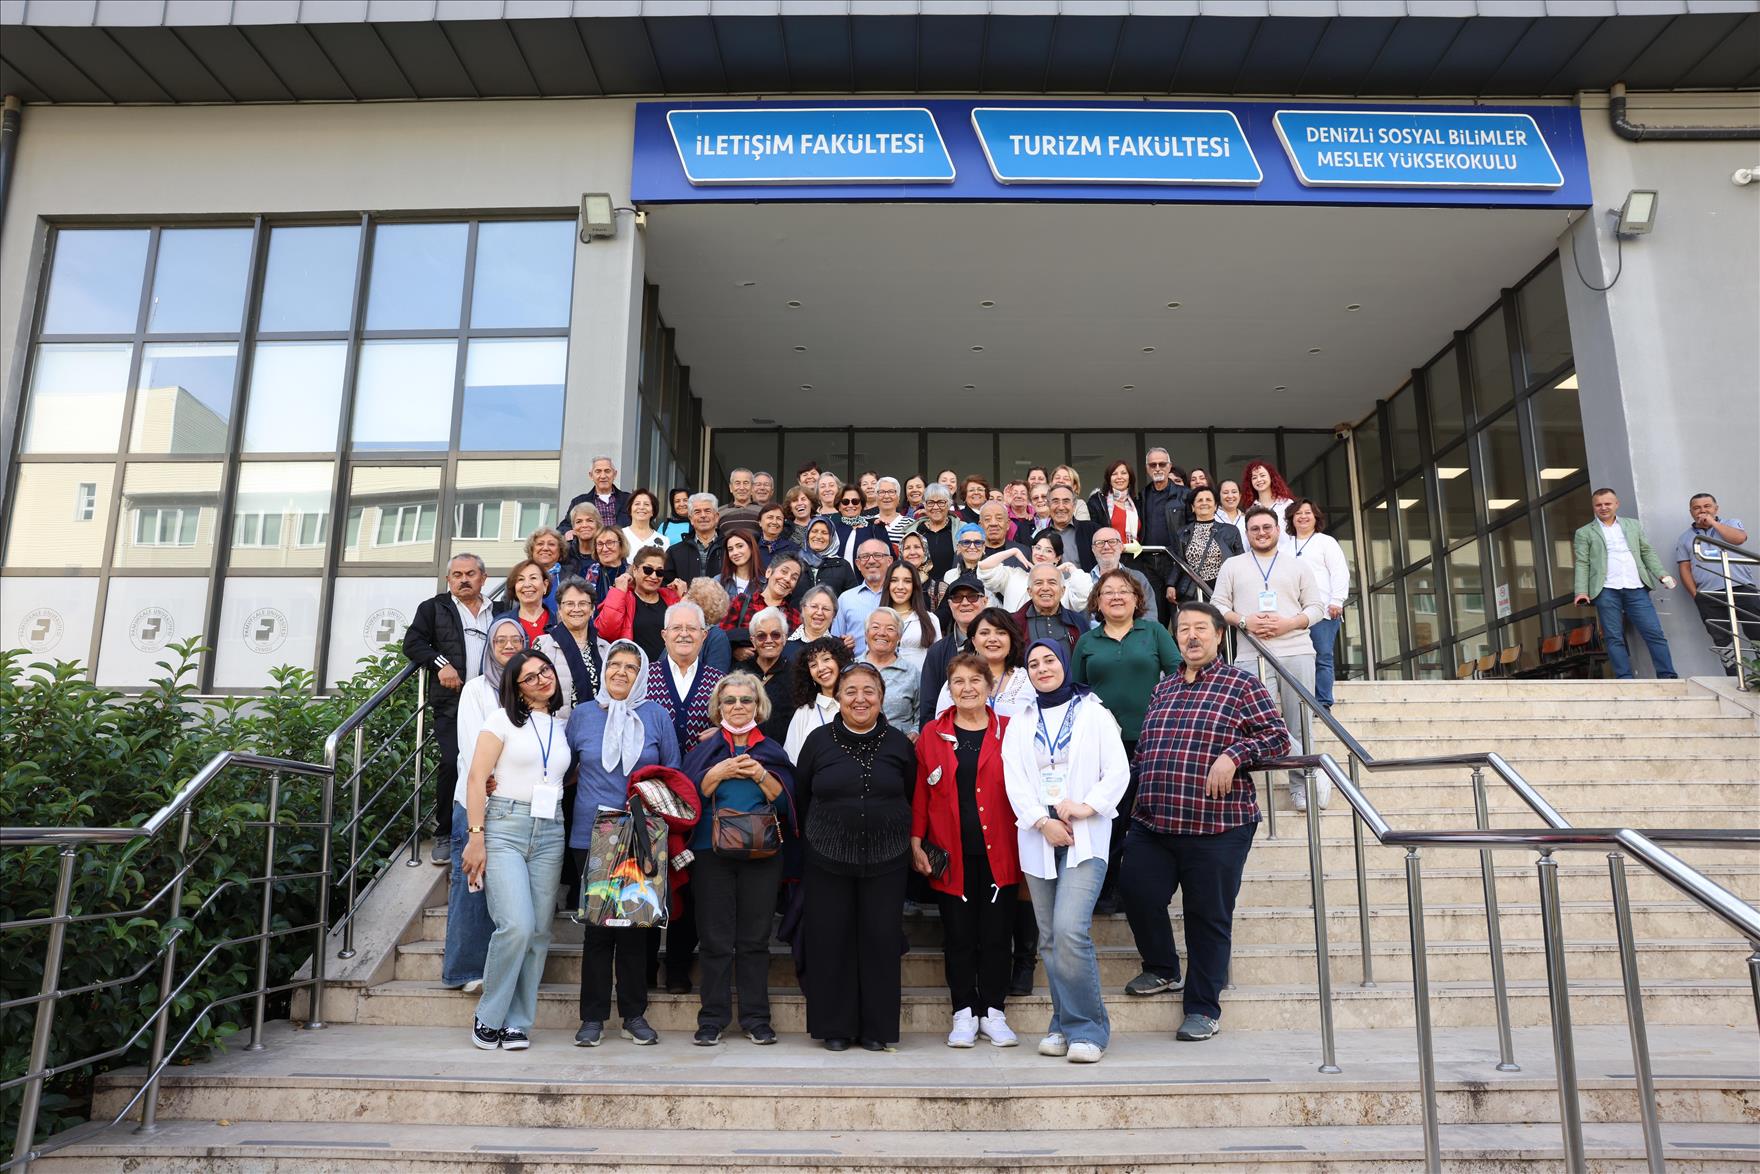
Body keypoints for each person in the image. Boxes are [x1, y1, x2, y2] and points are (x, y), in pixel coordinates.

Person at [1121, 601, 1289, 1043]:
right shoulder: (1164, 687)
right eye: (1183, 630)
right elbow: (1147, 747)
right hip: (1153, 821)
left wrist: (1234, 755)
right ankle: (1162, 967)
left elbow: (1277, 737)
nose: (1191, 636)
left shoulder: (1241, 684)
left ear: (1219, 635)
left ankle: (1202, 1008)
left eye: (1200, 628)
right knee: (1136, 893)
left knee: (1207, 917)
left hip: (1218, 826)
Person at [1002, 640, 1130, 1064]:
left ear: (1064, 663)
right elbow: (1014, 780)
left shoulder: (1094, 711)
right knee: (1051, 938)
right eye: (1033, 664)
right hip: (1039, 836)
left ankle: (1088, 1029)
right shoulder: (1021, 720)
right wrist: (1043, 822)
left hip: (1085, 836)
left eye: (1050, 660)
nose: (1042, 669)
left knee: (1071, 930)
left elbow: (1118, 770)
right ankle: (1062, 1023)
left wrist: (1086, 806)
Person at [563, 640, 684, 1047]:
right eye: (614, 664)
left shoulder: (656, 715)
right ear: (604, 669)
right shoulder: (583, 715)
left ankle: (634, 1015)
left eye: (631, 667)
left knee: (634, 928)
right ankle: (592, 1018)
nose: (621, 672)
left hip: (641, 835)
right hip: (591, 835)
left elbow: (672, 774)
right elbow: (561, 769)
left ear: (641, 674)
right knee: (598, 931)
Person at [794, 661, 917, 1051]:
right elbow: (802, 795)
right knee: (831, 940)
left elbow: (910, 792)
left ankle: (877, 1029)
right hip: (826, 858)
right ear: (838, 697)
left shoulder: (898, 743)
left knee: (881, 940)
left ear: (882, 698)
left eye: (869, 691)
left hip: (887, 859)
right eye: (851, 691)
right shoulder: (818, 741)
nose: (860, 699)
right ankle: (835, 1027)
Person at [459, 646, 570, 1050]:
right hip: (505, 826)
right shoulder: (500, 720)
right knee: (517, 925)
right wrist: (476, 836)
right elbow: (477, 778)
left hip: (550, 828)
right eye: (531, 676)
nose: (543, 678)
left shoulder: (561, 724)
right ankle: (489, 1016)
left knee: (539, 931)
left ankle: (517, 1022)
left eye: (546, 670)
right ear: (518, 688)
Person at [912, 651, 1021, 1048]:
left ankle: (992, 1011)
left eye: (975, 680)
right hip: (950, 854)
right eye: (958, 681)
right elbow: (922, 792)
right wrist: (915, 841)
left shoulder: (1010, 730)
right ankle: (963, 1011)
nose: (967, 688)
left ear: (989, 687)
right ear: (949, 689)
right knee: (958, 936)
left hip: (1001, 852)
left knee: (996, 935)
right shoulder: (932, 733)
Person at [683, 673, 795, 1046]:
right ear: (719, 707)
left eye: (746, 700)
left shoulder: (772, 750)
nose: (737, 706)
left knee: (754, 939)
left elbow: (788, 804)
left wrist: (761, 774)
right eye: (729, 700)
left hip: (763, 853)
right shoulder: (704, 751)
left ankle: (756, 1019)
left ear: (758, 706)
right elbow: (686, 799)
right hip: (710, 853)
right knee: (714, 939)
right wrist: (717, 773)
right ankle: (712, 1019)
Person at [1072, 567, 1180, 914]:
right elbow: (1076, 692)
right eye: (1108, 592)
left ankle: (1138, 889)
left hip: (1147, 742)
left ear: (1136, 599)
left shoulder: (1154, 632)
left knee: (1142, 817)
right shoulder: (1087, 641)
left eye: (1124, 591)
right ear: (1097, 601)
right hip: (1100, 746)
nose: (1116, 596)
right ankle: (1105, 889)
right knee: (1108, 816)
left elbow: (1178, 676)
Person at [1211, 506, 1328, 810]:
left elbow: (1316, 607)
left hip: (1296, 650)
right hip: (1252, 653)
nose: (1261, 533)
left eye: (1267, 527)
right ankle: (1313, 768)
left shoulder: (1297, 566)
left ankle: (1302, 787)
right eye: (1255, 529)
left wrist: (1289, 623)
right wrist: (1245, 621)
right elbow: (1218, 605)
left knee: (1299, 722)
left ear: (1278, 530)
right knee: (1255, 723)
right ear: (1247, 533)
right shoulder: (1233, 566)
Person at [440, 614, 525, 994]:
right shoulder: (476, 689)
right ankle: (464, 970)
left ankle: (500, 968)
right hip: (476, 799)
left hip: (514, 802)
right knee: (470, 883)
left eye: (515, 640)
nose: (508, 646)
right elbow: (474, 747)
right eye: (500, 640)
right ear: (490, 647)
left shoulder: (529, 688)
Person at [645, 599, 726, 994]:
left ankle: (678, 966)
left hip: (699, 800)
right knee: (649, 880)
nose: (683, 634)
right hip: (651, 798)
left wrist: (723, 730)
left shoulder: (718, 681)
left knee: (690, 884)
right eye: (676, 628)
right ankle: (644, 966)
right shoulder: (645, 676)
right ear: (664, 635)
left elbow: (740, 722)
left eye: (691, 628)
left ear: (704, 635)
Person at [403, 552, 493, 863]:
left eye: (470, 574)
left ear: (483, 578)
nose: (463, 580)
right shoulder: (433, 608)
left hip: (493, 704)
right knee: (452, 761)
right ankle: (444, 832)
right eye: (457, 575)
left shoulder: (499, 609)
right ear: (448, 579)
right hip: (452, 703)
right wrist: (441, 664)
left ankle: (487, 828)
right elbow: (413, 643)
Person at [1572, 487, 1679, 680]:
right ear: (1593, 507)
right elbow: (1582, 562)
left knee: (1654, 633)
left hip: (1636, 587)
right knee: (1614, 637)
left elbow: (1646, 551)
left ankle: (1668, 676)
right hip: (1606, 590)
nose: (1603, 507)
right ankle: (1624, 678)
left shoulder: (1633, 525)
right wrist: (1581, 591)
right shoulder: (1584, 532)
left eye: (1607, 503)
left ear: (1616, 504)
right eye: (1598, 505)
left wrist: (1661, 574)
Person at [1675, 493, 1760, 676]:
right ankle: (1734, 679)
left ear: (1716, 508)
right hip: (1708, 594)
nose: (1702, 510)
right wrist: (1696, 594)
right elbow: (1685, 567)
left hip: (1742, 588)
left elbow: (1739, 539)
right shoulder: (1684, 538)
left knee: (1757, 631)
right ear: (1691, 512)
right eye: (1697, 508)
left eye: (1707, 506)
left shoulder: (1731, 523)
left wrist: (1713, 523)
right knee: (1722, 640)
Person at [1287, 499, 1350, 709]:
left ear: (1316, 517)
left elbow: (1339, 572)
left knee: (1322, 656)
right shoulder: (1285, 545)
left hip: (1323, 610)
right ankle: (1299, 702)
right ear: (1291, 518)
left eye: (1307, 513)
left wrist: (1337, 600)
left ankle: (1322, 703)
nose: (1303, 517)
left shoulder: (1326, 542)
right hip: (1292, 613)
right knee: (1295, 659)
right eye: (1298, 513)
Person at [936, 606, 1035, 720]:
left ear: (1011, 640)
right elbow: (941, 722)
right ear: (974, 641)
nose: (992, 639)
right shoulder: (957, 680)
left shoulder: (1028, 681)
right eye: (984, 633)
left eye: (1001, 633)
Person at [918, 573, 989, 728]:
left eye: (972, 597)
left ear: (985, 601)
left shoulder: (998, 646)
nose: (965, 603)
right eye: (957, 598)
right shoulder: (937, 652)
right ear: (950, 604)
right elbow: (928, 708)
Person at [533, 577, 601, 717]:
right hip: (556, 725)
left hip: (596, 726)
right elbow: (532, 691)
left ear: (592, 609)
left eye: (583, 603)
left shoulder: (604, 648)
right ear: (559, 609)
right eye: (569, 604)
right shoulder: (543, 645)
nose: (576, 609)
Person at [597, 546, 677, 664]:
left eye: (659, 572)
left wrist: (683, 596)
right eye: (648, 570)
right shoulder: (622, 597)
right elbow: (606, 632)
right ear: (634, 570)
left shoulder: (671, 598)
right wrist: (618, 592)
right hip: (633, 669)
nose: (654, 576)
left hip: (667, 670)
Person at [978, 530, 1091, 614]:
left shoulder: (1064, 585)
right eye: (1037, 548)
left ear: (1057, 558)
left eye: (1048, 550)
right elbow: (984, 567)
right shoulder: (1014, 576)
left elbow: (1083, 595)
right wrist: (1013, 551)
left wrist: (1070, 567)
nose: (1040, 553)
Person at [1139, 447, 1191, 622]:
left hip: (1176, 563)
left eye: (1162, 464)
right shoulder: (1142, 496)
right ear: (1147, 468)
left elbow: (1191, 531)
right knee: (1154, 620)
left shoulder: (1185, 495)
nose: (1157, 468)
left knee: (1181, 621)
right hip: (1149, 565)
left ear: (1169, 466)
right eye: (1153, 465)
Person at [783, 636, 854, 761]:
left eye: (826, 659)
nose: (821, 668)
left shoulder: (858, 704)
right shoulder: (804, 713)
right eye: (813, 665)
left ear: (840, 661)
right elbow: (791, 761)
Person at [722, 551, 803, 660]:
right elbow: (721, 639)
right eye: (784, 571)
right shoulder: (742, 602)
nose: (787, 579)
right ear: (768, 572)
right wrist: (734, 651)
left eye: (794, 578)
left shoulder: (795, 617)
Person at [1173, 486, 1244, 604]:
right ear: (1193, 507)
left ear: (1215, 506)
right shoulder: (1183, 532)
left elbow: (1240, 561)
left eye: (1208, 500)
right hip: (1193, 591)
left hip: (1222, 589)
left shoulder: (1230, 531)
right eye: (1200, 500)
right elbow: (1178, 562)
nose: (1204, 503)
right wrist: (1170, 585)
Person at [1014, 562, 1093, 660]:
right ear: (1029, 591)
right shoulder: (1014, 624)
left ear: (1063, 591)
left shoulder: (1078, 622)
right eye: (1038, 583)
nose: (1045, 588)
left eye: (1052, 582)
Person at [831, 538, 895, 657]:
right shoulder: (845, 599)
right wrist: (843, 645)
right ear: (858, 564)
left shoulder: (899, 595)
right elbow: (835, 643)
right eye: (865, 556)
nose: (871, 561)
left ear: (889, 561)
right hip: (856, 666)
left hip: (895, 666)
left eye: (877, 555)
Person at [863, 608, 921, 738]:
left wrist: (915, 732)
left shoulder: (911, 673)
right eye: (875, 627)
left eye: (890, 629)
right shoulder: (852, 669)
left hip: (899, 744)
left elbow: (922, 712)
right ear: (866, 634)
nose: (882, 633)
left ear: (899, 637)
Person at [749, 607, 800, 740]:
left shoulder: (797, 675)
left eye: (775, 635)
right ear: (753, 641)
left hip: (782, 749)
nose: (769, 640)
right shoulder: (740, 672)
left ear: (784, 639)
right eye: (761, 636)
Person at [880, 559, 941, 666]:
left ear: (915, 586)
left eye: (907, 581)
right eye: (894, 580)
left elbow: (938, 660)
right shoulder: (877, 618)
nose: (900, 587)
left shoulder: (930, 619)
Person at [663, 493, 725, 592]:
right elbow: (665, 586)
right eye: (697, 512)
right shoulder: (674, 552)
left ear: (716, 517)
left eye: (707, 511)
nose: (703, 515)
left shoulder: (729, 549)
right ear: (691, 519)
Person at [794, 516, 858, 602]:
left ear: (832, 538)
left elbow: (852, 599)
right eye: (814, 531)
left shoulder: (843, 565)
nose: (818, 536)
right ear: (807, 534)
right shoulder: (795, 562)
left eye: (824, 533)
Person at [1088, 528, 1155, 605]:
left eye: (1112, 541)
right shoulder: (1083, 582)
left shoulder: (1138, 579)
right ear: (1093, 549)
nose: (1106, 547)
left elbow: (1149, 610)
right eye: (1099, 543)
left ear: (1121, 547)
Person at [497, 558, 555, 644]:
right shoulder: (501, 622)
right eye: (520, 579)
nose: (527, 585)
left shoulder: (559, 622)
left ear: (545, 585)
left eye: (533, 578)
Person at [684, 577, 734, 675]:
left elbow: (716, 678)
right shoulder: (680, 630)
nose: (684, 598)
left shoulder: (716, 637)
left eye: (688, 595)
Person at [569, 455, 633, 529]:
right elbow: (565, 526)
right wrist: (569, 531)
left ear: (614, 474)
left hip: (621, 536)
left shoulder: (629, 500)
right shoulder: (579, 502)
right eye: (598, 471)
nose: (603, 476)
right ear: (591, 475)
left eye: (607, 471)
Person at [1044, 485, 1097, 570]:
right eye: (1055, 501)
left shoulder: (1092, 531)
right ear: (1048, 505)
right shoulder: (1041, 536)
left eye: (1066, 501)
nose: (1061, 507)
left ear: (1074, 505)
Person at [1088, 460, 1140, 548]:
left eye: (1123, 473)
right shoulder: (1097, 502)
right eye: (1114, 474)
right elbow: (1092, 534)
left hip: (1135, 555)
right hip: (1109, 553)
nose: (1119, 477)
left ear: (1130, 478)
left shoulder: (1137, 503)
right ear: (1109, 479)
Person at [832, 485, 889, 562]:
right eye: (845, 502)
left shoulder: (876, 528)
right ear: (839, 506)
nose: (850, 505)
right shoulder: (832, 530)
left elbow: (889, 558)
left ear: (861, 505)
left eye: (855, 501)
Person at [1241, 460, 1296, 539]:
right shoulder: (1251, 509)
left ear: (1271, 477)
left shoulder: (1287, 504)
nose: (1259, 480)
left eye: (1262, 475)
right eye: (1254, 477)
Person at [899, 530, 946, 613]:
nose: (912, 552)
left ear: (925, 551)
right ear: (901, 553)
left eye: (917, 547)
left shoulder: (939, 589)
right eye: (907, 548)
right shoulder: (893, 585)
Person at [916, 483, 958, 573]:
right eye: (930, 502)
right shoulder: (916, 530)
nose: (935, 507)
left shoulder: (960, 529)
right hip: (921, 581)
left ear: (949, 504)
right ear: (924, 505)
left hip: (953, 581)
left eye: (941, 502)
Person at [585, 526, 631, 605]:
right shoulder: (589, 572)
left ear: (621, 545)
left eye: (610, 543)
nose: (605, 549)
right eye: (600, 544)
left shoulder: (631, 572)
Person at [526, 526, 568, 611]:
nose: (545, 548)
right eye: (540, 544)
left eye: (551, 544)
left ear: (560, 550)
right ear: (532, 550)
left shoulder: (572, 579)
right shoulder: (518, 576)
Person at [717, 529, 765, 601]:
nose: (735, 552)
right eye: (730, 549)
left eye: (740, 546)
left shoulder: (765, 582)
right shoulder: (718, 581)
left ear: (751, 547)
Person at [789, 583, 840, 649]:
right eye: (814, 606)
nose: (819, 613)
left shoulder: (840, 647)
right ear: (803, 609)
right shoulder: (783, 642)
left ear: (833, 615)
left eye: (825, 609)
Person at [562, 502, 602, 577]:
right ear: (573, 527)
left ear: (598, 525)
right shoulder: (565, 553)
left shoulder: (606, 552)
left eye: (589, 520)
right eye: (579, 522)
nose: (584, 525)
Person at [623, 488, 668, 555]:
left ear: (653, 511)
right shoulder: (620, 535)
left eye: (646, 504)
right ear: (630, 510)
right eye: (637, 504)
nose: (641, 507)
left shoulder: (664, 540)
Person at [719, 467, 761, 537]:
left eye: (746, 483)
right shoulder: (719, 512)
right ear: (731, 487)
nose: (742, 488)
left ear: (752, 487)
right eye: (737, 483)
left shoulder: (763, 512)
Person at [872, 476, 912, 545]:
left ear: (898, 497)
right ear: (876, 497)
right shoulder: (867, 522)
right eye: (882, 492)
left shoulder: (910, 524)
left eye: (891, 492)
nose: (886, 496)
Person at [1216, 480, 1248, 545]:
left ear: (1240, 495)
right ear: (1219, 496)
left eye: (1234, 492)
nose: (1230, 496)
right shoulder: (1213, 518)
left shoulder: (1247, 519)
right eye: (1225, 492)